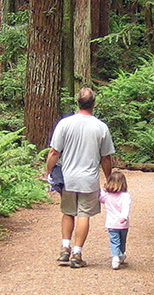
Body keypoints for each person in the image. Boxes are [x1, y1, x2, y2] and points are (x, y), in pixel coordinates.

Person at [45, 87, 115, 268]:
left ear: (77, 102)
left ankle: (64, 248)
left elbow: (54, 152)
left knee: (68, 212)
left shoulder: (64, 124)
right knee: (84, 214)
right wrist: (109, 178)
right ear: (94, 104)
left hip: (68, 178)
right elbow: (106, 157)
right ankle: (77, 253)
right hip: (89, 179)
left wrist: (48, 172)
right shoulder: (101, 127)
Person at [99, 171, 131, 270]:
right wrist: (124, 217)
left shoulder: (106, 196)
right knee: (122, 241)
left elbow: (99, 196)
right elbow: (126, 207)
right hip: (123, 224)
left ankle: (116, 257)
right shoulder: (126, 196)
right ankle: (119, 256)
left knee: (114, 241)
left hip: (111, 223)